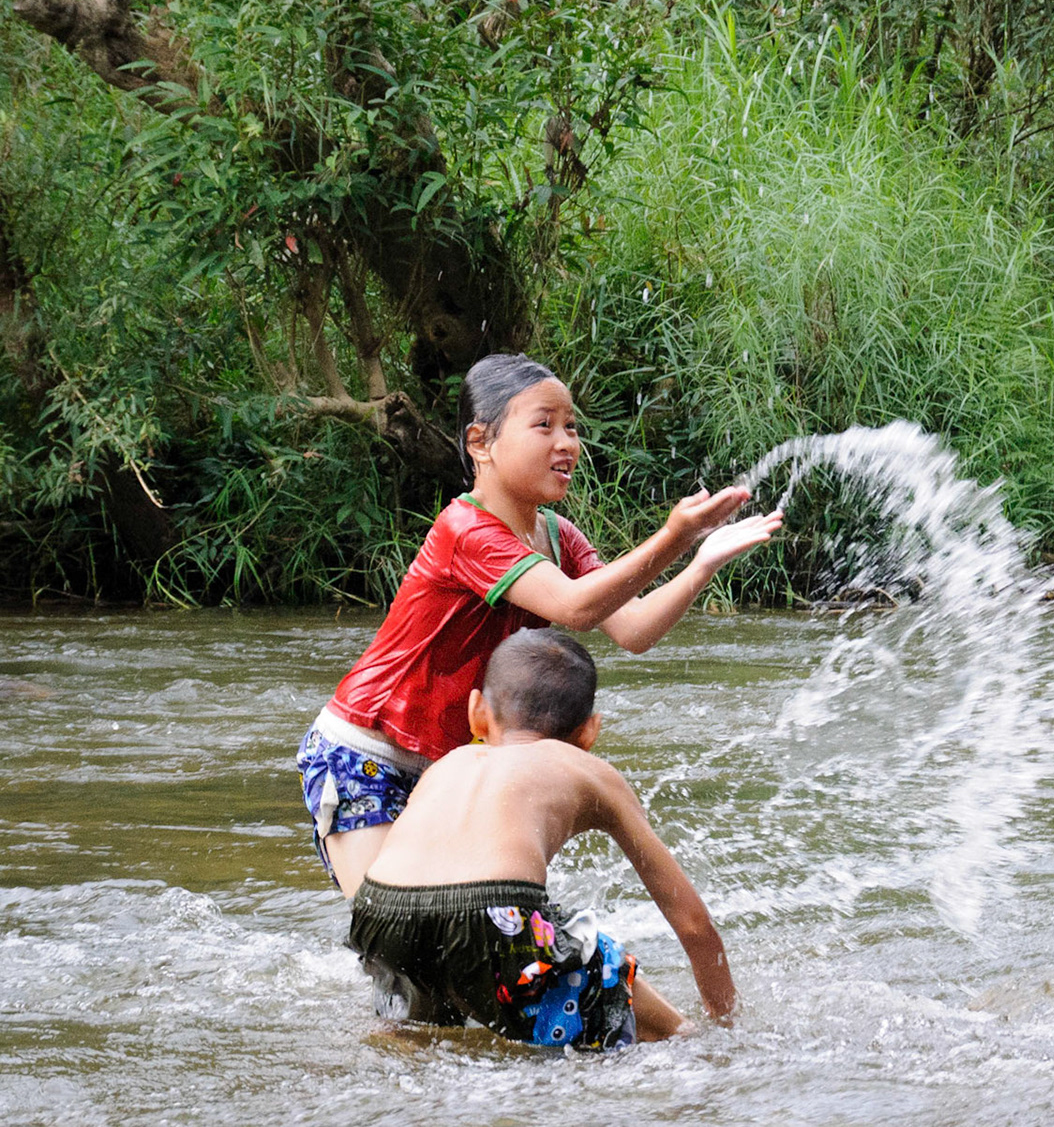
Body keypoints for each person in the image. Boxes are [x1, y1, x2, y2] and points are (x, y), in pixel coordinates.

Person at [297, 353, 781, 897]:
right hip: (365, 752)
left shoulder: (558, 536)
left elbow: (634, 630)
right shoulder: (466, 530)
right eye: (544, 424)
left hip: (454, 766)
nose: (566, 442)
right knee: (387, 923)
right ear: (480, 443)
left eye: (571, 426)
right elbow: (575, 607)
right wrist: (673, 536)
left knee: (470, 926)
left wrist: (700, 562)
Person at [348, 627, 735, 1048]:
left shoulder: (448, 764)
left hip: (380, 911)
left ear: (477, 713)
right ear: (589, 732)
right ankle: (708, 1050)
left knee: (422, 1034)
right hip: (494, 909)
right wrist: (726, 1022)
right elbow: (693, 926)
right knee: (672, 1031)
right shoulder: (590, 771)